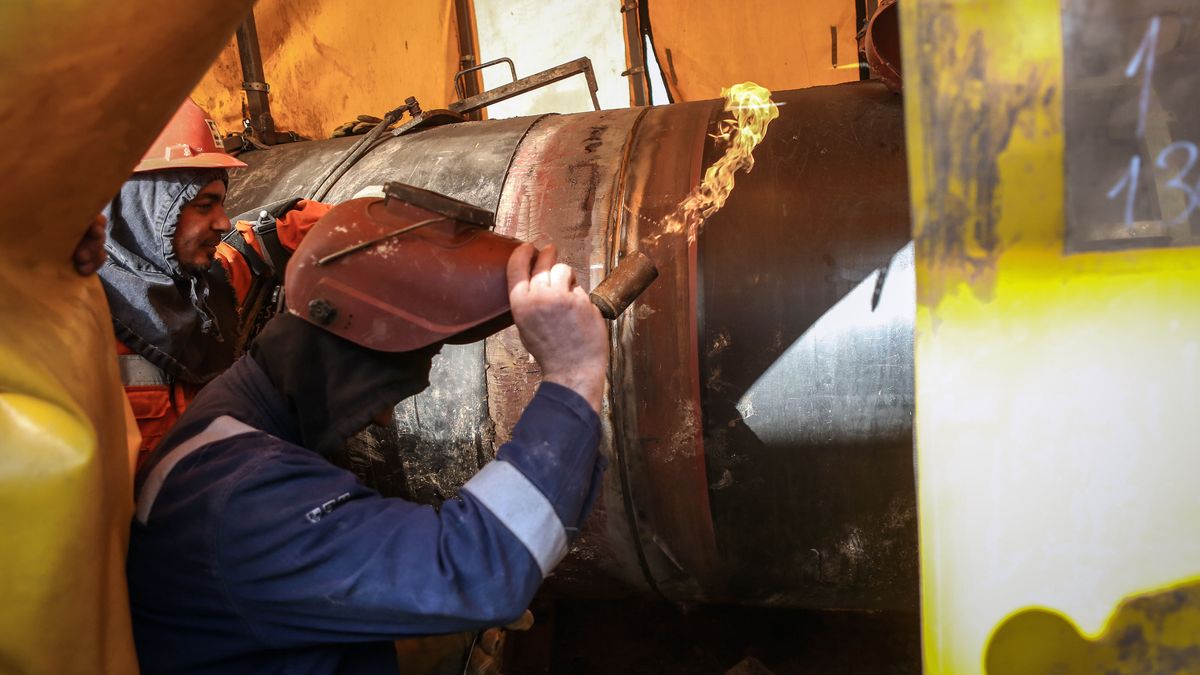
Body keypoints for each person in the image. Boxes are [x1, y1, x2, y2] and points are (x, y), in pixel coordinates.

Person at [125, 191, 609, 674]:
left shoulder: (231, 414)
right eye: (385, 388)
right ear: (339, 346)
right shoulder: (241, 498)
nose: (382, 419)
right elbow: (478, 571)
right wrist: (573, 373)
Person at [99, 98, 329, 464]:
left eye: (221, 203)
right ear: (142, 206)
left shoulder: (207, 287)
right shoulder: (74, 321)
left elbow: (263, 238)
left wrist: (365, 217)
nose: (223, 222)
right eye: (204, 206)